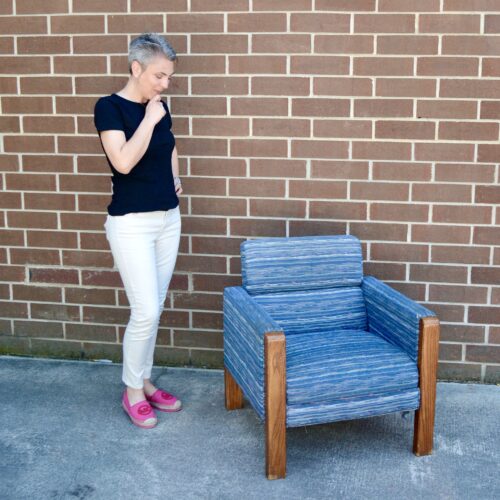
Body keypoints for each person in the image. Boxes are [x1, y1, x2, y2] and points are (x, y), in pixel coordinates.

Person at [93, 33, 183, 429]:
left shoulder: (161, 109)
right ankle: (132, 391)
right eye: (160, 76)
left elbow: (171, 148)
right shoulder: (109, 109)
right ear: (136, 68)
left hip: (168, 220)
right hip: (131, 224)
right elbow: (124, 162)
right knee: (144, 310)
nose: (165, 85)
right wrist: (148, 118)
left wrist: (176, 179)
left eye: (168, 77)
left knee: (155, 308)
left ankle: (144, 380)